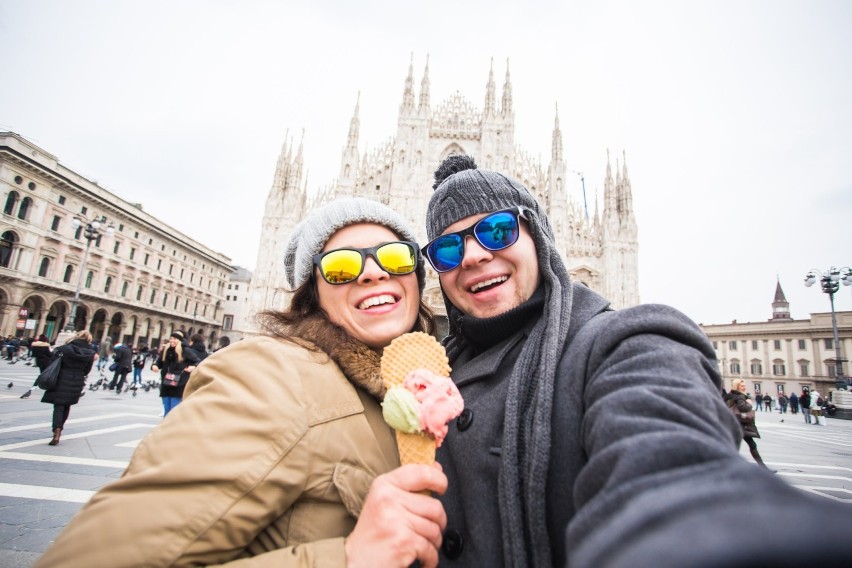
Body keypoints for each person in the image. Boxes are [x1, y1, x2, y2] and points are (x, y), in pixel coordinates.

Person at [421, 154, 852, 566]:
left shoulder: (622, 343)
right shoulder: (435, 366)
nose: (474, 255)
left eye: (497, 231)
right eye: (447, 250)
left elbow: (671, 470)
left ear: (539, 236)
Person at [35, 197, 448, 568]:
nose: (374, 273)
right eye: (341, 267)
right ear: (311, 296)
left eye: (395, 257)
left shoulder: (399, 383)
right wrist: (345, 559)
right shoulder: (269, 377)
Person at [40, 330, 96, 446]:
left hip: (61, 378)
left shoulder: (64, 349)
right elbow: (87, 371)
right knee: (67, 405)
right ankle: (60, 428)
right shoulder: (90, 353)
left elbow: (52, 362)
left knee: (58, 406)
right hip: (77, 381)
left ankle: (57, 429)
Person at [151, 330, 200, 416]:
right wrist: (154, 366)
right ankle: (166, 427)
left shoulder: (185, 350)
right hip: (166, 383)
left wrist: (193, 367)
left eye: (175, 339)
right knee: (166, 409)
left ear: (180, 340)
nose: (172, 340)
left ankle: (171, 427)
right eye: (171, 338)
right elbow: (159, 363)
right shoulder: (166, 350)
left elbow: (198, 361)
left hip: (179, 383)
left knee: (174, 410)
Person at [724, 379, 768, 468]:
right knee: (751, 444)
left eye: (744, 386)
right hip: (741, 424)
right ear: (737, 387)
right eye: (742, 386)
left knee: (733, 444)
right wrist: (749, 404)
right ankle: (763, 467)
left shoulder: (729, 396)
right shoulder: (741, 396)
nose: (744, 387)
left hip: (731, 422)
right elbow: (742, 407)